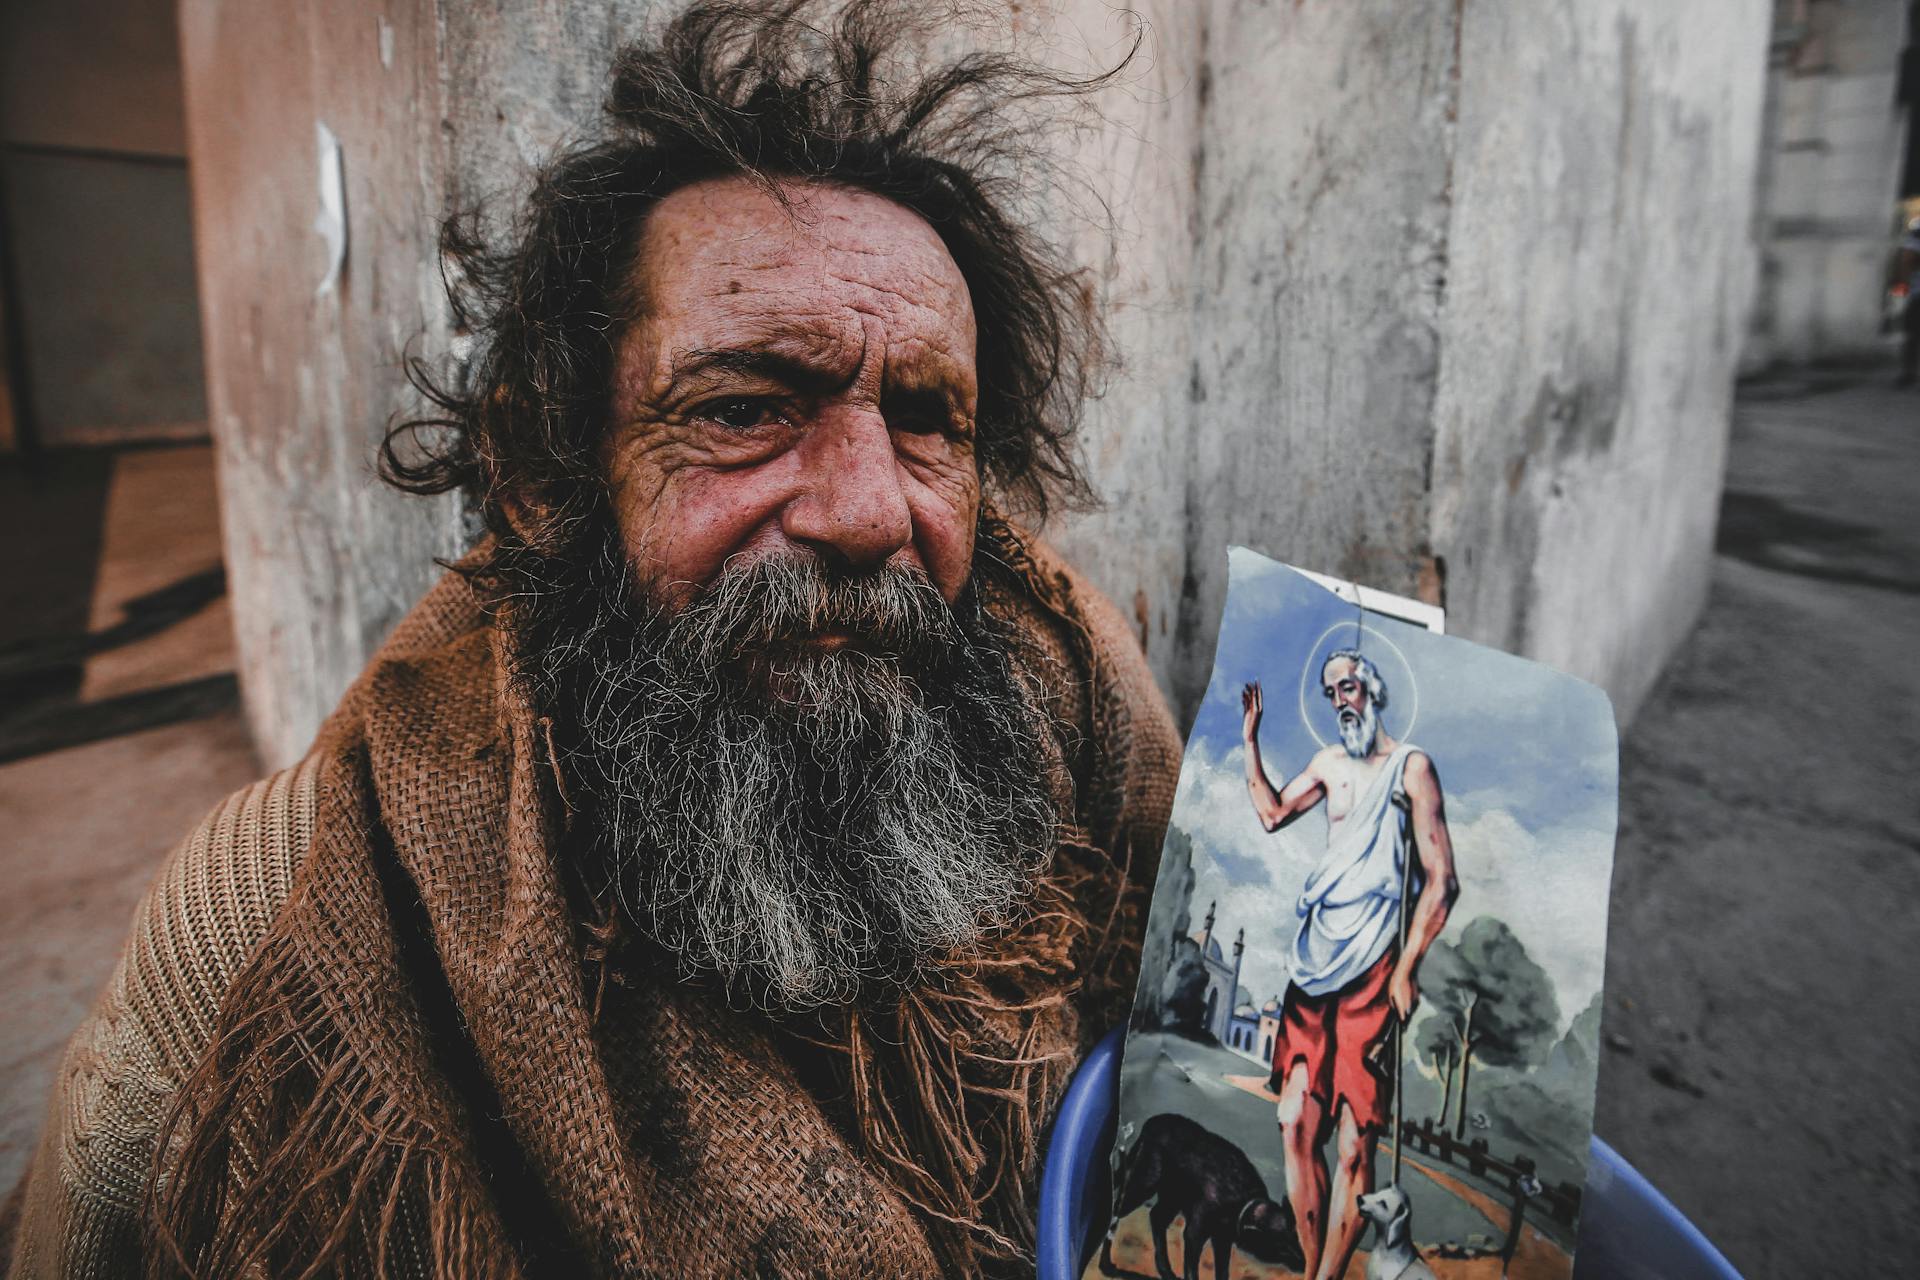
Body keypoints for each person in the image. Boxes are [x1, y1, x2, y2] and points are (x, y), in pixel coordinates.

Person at [2, 5, 1180, 1277]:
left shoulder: (1068, 710)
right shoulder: (270, 915)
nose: (865, 509)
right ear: (551, 471)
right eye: (742, 408)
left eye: (924, 417)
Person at [1238, 651, 1458, 1280]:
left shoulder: (1412, 770)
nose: (1342, 700)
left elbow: (1440, 880)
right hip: (1314, 965)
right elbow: (1273, 813)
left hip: (1373, 969)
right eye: (1332, 690)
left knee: (1356, 1141)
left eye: (1351, 686)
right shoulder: (1328, 765)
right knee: (1293, 1123)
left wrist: (1408, 966)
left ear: (1376, 691)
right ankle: (1315, 1272)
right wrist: (1250, 743)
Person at [1895, 215, 1920, 386]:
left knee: (1912, 335)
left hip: (1917, 295)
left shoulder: (1915, 235)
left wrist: (1902, 289)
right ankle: (1909, 373)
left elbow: (1906, 261)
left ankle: (1909, 373)